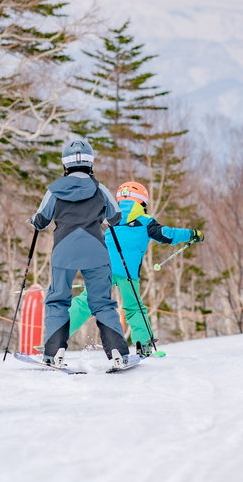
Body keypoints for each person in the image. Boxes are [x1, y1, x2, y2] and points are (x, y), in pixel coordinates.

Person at [66, 181, 202, 357]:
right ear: (141, 201)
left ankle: (55, 338)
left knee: (84, 303)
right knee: (134, 308)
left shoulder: (108, 217)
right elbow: (168, 235)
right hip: (127, 273)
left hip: (101, 268)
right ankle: (143, 345)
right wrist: (192, 234)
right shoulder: (145, 222)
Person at [31, 139, 129, 366]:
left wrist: (34, 221)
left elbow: (41, 220)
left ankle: (54, 352)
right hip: (95, 249)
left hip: (64, 250)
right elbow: (115, 218)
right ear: (90, 162)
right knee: (102, 302)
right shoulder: (100, 188)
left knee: (58, 300)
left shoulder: (54, 190)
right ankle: (117, 352)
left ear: (65, 164)